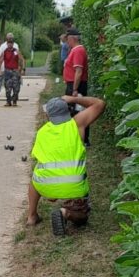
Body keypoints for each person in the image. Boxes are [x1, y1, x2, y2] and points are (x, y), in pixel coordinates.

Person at [27, 95, 106, 235]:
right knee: (82, 217)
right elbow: (99, 104)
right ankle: (65, 213)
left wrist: (51, 193)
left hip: (45, 185)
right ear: (68, 112)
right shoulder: (76, 124)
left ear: (47, 115)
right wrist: (74, 99)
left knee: (35, 177)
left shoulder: (42, 132)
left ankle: (32, 216)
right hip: (73, 185)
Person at [62, 27, 90, 145]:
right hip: (72, 84)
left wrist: (74, 89)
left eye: (68, 39)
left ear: (72, 38)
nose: (67, 41)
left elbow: (78, 71)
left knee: (78, 111)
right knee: (74, 110)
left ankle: (82, 139)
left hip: (76, 86)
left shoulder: (78, 50)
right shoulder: (74, 50)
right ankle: (75, 137)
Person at [0, 34, 25, 107]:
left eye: (11, 43)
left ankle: (14, 101)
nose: (9, 44)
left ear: (13, 44)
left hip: (15, 71)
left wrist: (22, 69)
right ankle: (8, 101)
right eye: (8, 43)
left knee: (16, 88)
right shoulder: (4, 51)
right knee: (7, 87)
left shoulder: (16, 51)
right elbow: (1, 61)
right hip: (7, 71)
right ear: (7, 43)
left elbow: (21, 60)